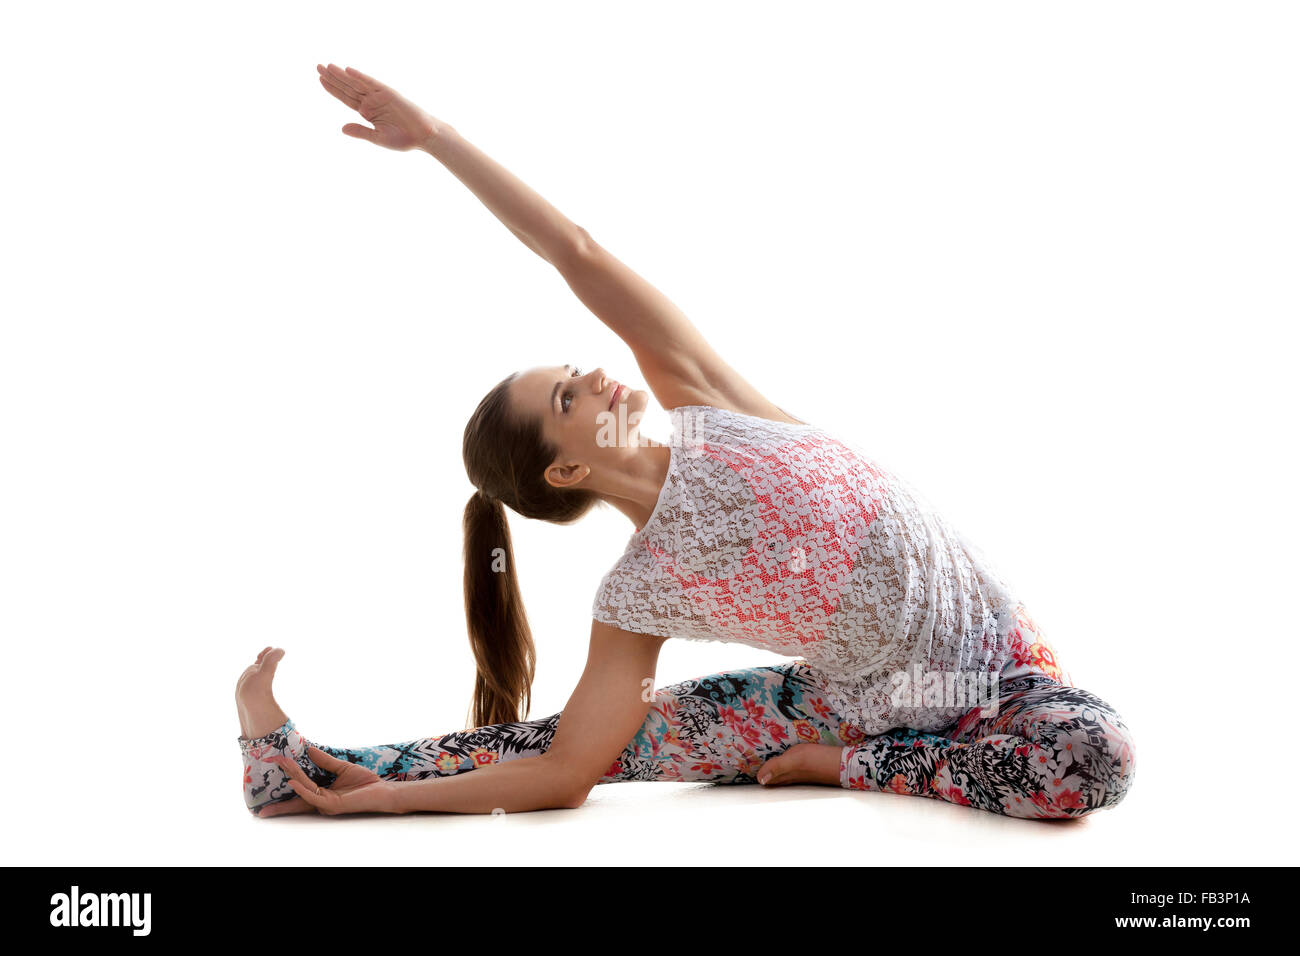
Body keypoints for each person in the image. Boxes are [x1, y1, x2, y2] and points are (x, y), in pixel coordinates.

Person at [233, 64, 1135, 820]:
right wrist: (376, 805)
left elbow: (575, 251)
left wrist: (435, 138)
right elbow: (564, 772)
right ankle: (293, 769)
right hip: (835, 704)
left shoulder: (709, 405)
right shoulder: (638, 591)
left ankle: (852, 765)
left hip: (1001, 681)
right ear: (568, 467)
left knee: (1094, 753)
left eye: (575, 368)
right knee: (549, 737)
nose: (592, 374)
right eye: (566, 393)